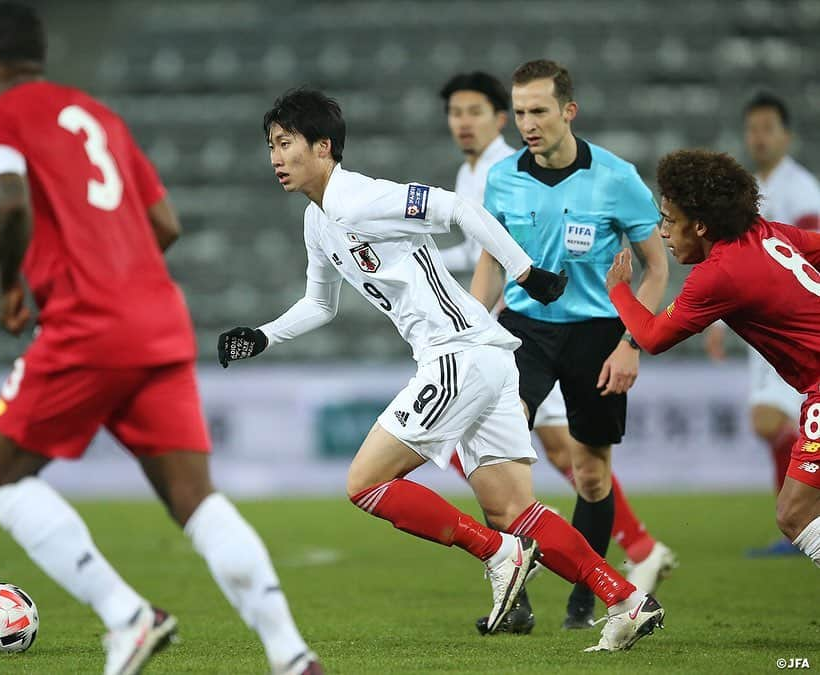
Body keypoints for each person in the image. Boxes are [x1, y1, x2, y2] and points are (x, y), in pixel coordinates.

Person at [217, 87, 666, 653]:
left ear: (323, 146)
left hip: (459, 355)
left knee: (365, 483)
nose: (275, 157)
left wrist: (523, 272)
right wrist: (262, 335)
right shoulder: (319, 220)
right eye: (271, 147)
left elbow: (456, 208)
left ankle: (499, 554)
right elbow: (322, 304)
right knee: (513, 509)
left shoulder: (361, 198)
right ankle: (626, 597)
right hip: (487, 359)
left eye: (285, 144)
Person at [0, 4, 321, 675]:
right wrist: (118, 263)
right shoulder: (99, 117)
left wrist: (9, 282)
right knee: (197, 500)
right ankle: (291, 654)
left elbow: (8, 200)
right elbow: (166, 221)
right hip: (157, 317)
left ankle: (128, 616)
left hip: (85, 323)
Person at [438, 70, 675, 634]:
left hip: (597, 334)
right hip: (525, 331)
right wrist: (469, 331)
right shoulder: (501, 179)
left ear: (570, 111)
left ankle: (583, 602)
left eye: (539, 112)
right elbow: (492, 264)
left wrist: (630, 343)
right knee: (498, 452)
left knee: (591, 476)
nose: (528, 125)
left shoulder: (617, 178)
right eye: (520, 114)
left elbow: (657, 267)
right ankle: (513, 593)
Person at [606, 148, 820, 571]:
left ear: (700, 224)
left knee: (794, 514)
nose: (663, 231)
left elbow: (652, 337)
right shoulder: (769, 233)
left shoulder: (718, 274)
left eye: (670, 219)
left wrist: (619, 291)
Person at [703, 93, 820, 557]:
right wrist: (720, 320)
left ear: (786, 135)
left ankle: (798, 519)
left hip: (796, 327)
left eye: (768, 127)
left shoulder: (801, 189)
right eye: (753, 128)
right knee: (771, 422)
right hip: (765, 327)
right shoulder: (749, 188)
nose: (759, 136)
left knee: (771, 418)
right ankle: (797, 520)